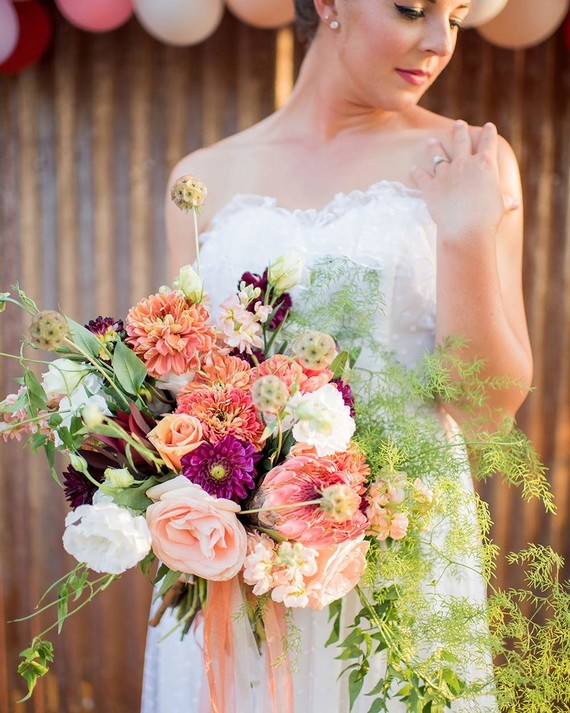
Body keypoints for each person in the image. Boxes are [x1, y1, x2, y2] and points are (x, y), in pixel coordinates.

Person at [141, 1, 533, 711]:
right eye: (413, 7)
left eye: (458, 14)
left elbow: (486, 411)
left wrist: (467, 233)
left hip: (401, 566)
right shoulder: (203, 178)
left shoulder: (469, 159)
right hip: (240, 573)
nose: (440, 41)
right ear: (328, 3)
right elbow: (182, 395)